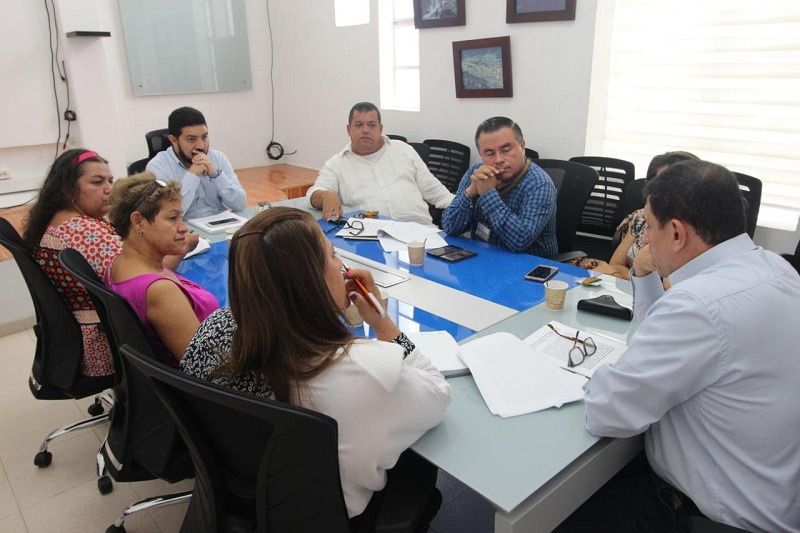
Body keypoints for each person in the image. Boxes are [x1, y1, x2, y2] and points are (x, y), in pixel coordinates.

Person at [568, 160, 800, 532]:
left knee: (559, 515)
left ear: (676, 233)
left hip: (711, 517)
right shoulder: (776, 268)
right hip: (773, 496)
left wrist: (596, 374)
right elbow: (663, 331)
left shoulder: (697, 305)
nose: (644, 240)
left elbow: (606, 412)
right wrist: (644, 272)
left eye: (649, 227)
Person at [180, 207, 451, 520]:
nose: (342, 266)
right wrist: (383, 323)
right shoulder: (364, 370)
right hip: (327, 516)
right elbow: (438, 393)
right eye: (333, 255)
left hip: (241, 499)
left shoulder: (214, 328)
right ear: (310, 283)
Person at [23, 149, 119, 378]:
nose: (109, 189)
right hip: (105, 342)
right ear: (68, 188)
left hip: (77, 337)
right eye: (97, 182)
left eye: (110, 181)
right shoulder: (80, 229)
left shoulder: (58, 218)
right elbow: (133, 275)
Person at [106, 173, 220, 367]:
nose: (183, 228)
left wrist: (183, 247)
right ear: (138, 222)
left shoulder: (119, 264)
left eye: (181, 217)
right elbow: (208, 367)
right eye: (173, 218)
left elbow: (159, 271)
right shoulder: (161, 291)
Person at [306, 101, 453, 224]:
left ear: (380, 129)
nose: (365, 130)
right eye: (358, 125)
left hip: (421, 235)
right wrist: (325, 195)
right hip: (369, 240)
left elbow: (438, 194)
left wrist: (463, 206)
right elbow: (313, 194)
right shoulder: (336, 164)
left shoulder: (403, 150)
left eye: (371, 125)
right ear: (348, 129)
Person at [441, 117, 557, 257]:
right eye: (489, 153)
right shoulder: (477, 173)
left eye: (506, 150)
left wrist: (488, 194)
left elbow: (520, 241)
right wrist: (470, 192)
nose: (498, 159)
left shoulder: (540, 184)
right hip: (482, 256)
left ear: (522, 146)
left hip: (527, 264)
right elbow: (449, 227)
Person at [575, 151, 699, 279]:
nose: (646, 238)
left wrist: (630, 274)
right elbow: (615, 264)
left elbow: (670, 284)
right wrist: (633, 274)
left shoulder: (696, 233)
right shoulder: (641, 217)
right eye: (660, 186)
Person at [146, 106, 247, 220]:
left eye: (204, 137)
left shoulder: (218, 158)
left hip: (221, 222)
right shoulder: (158, 166)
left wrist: (216, 175)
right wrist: (192, 175)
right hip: (184, 227)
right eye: (191, 139)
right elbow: (171, 214)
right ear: (173, 140)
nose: (201, 146)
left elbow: (240, 204)